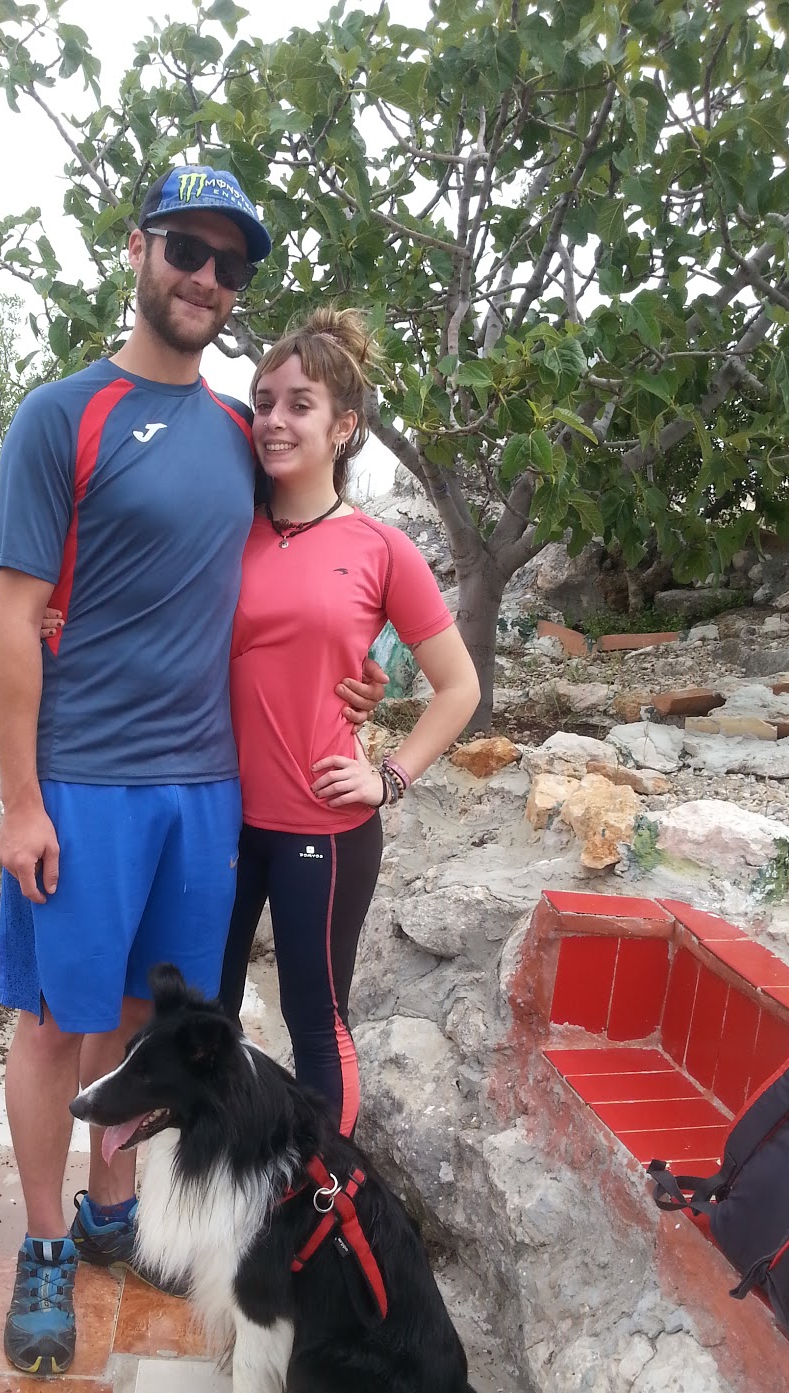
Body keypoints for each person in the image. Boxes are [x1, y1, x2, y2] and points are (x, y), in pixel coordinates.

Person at [0, 168, 383, 1377]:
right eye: (187, 249)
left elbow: (302, 570)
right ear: (139, 249)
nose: (207, 277)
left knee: (139, 1020)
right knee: (54, 1024)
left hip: (206, 793)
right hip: (86, 785)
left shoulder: (236, 436)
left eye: (230, 262)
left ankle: (114, 1211)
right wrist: (19, 800)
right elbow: (15, 620)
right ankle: (46, 1245)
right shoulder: (63, 416)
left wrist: (360, 684)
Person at [218, 307, 481, 1136]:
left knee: (314, 1021)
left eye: (300, 404)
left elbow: (458, 687)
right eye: (264, 402)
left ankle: (323, 1195)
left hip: (321, 829)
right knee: (205, 1019)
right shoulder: (225, 529)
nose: (274, 420)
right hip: (218, 819)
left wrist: (389, 777)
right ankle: (219, 1189)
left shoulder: (380, 547)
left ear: (343, 427)